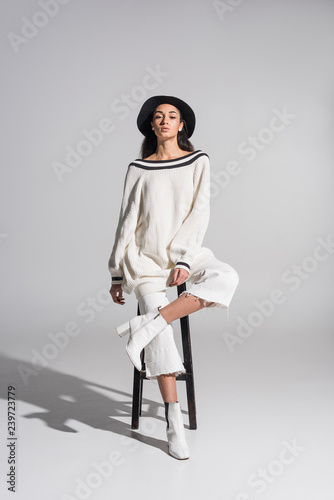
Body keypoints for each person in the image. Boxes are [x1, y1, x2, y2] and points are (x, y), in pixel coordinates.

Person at [108, 95, 239, 460]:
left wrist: (183, 258)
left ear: (182, 125)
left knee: (226, 277)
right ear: (151, 126)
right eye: (158, 117)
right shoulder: (138, 167)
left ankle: (144, 327)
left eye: (172, 116)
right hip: (146, 261)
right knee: (162, 334)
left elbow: (200, 212)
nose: (165, 121)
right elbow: (126, 222)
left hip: (187, 252)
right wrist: (117, 274)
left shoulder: (198, 161)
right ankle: (172, 420)